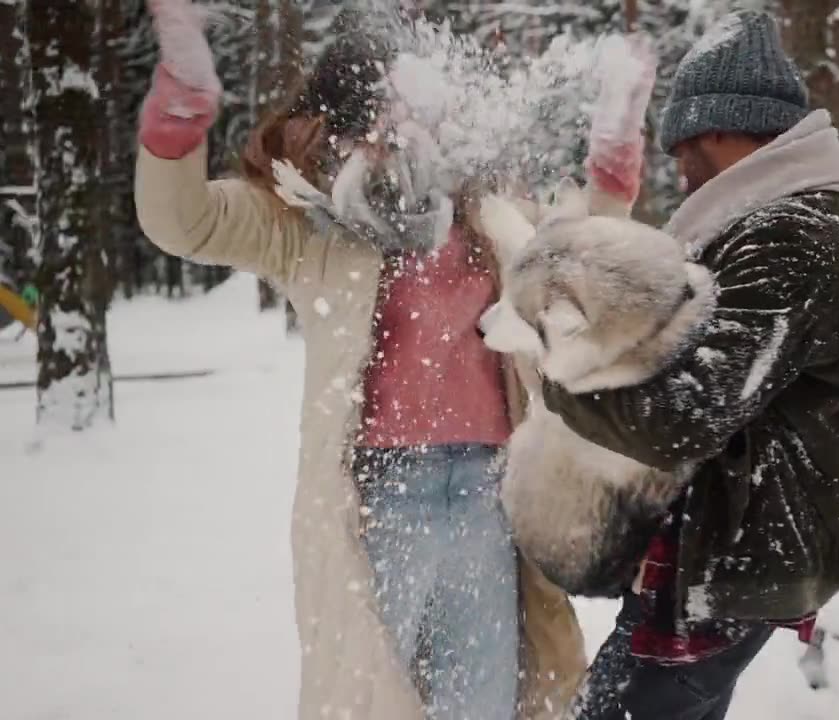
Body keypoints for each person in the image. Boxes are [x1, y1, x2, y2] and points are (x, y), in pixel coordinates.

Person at [132, 2, 608, 718]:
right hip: (381, 500)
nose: (400, 138)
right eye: (381, 121)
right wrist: (180, 111)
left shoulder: (485, 208)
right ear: (344, 127)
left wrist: (613, 170)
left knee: (480, 703)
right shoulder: (308, 220)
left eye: (411, 117)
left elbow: (579, 260)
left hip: (486, 492)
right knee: (368, 701)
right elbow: (185, 220)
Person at [545, 11, 839, 720]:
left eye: (686, 144)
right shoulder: (780, 221)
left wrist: (562, 366)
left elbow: (682, 414)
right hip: (720, 550)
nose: (679, 165)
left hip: (726, 559)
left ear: (727, 127)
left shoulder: (791, 234)